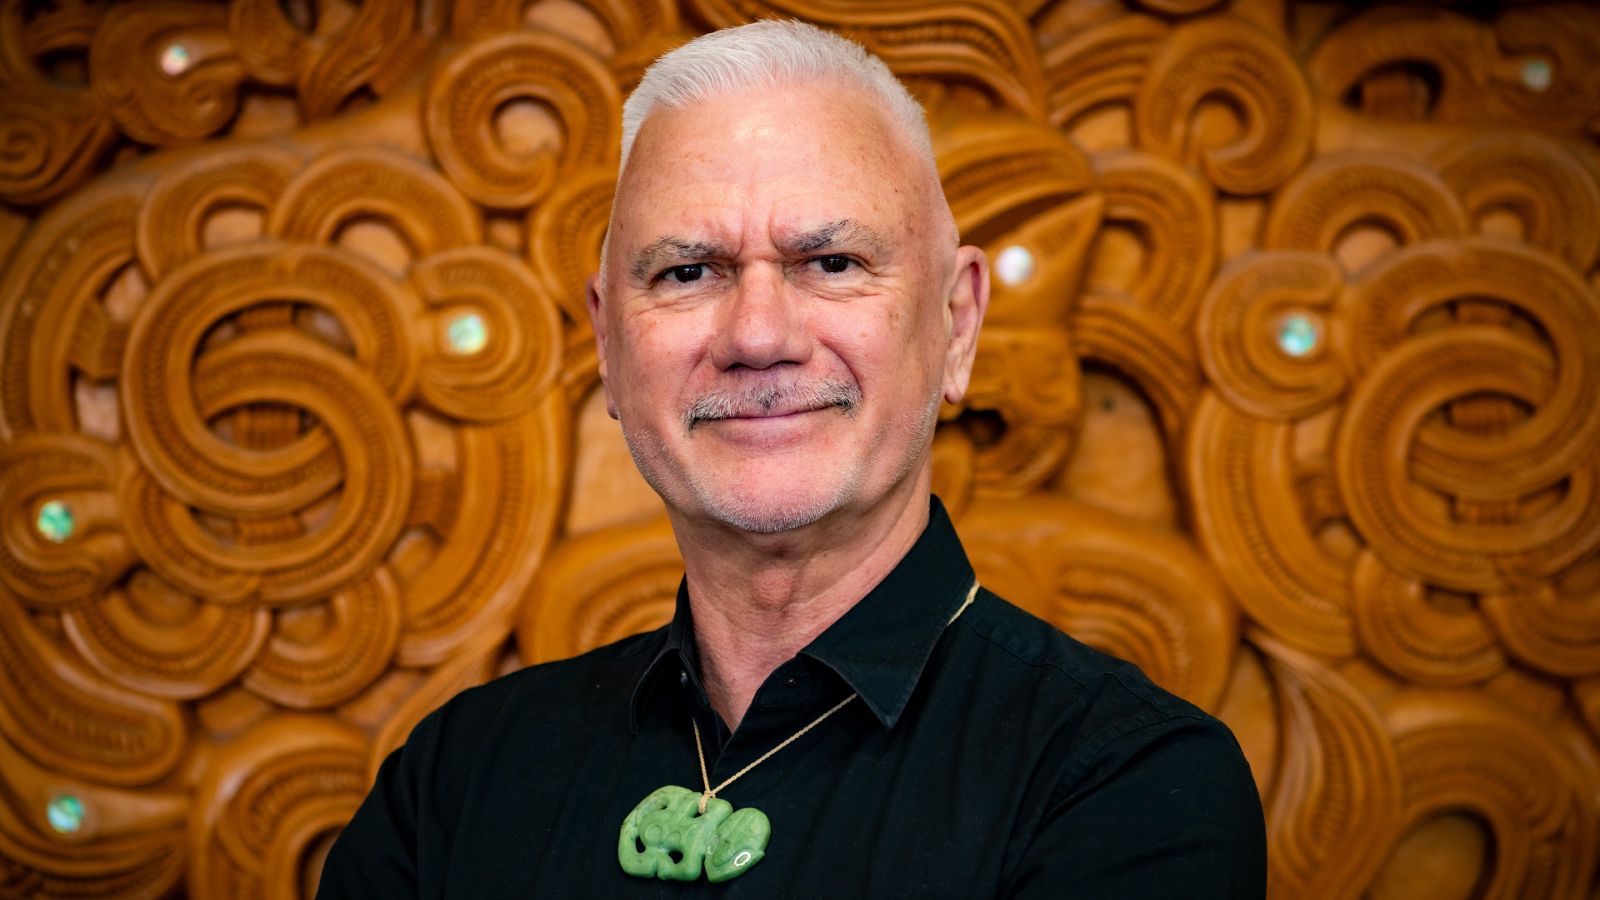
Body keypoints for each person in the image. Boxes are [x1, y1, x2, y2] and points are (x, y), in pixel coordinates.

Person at [318, 19, 1265, 898]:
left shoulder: (1127, 783)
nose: (759, 335)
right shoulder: (455, 779)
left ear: (956, 325)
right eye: (688, 272)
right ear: (608, 347)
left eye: (831, 263)